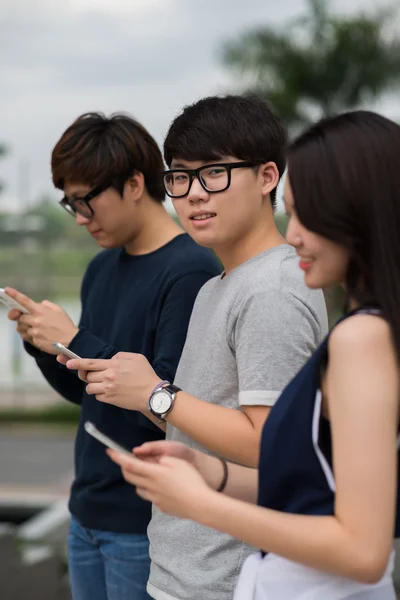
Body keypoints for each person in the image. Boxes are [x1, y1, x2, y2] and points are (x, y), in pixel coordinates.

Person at [106, 110, 400, 600]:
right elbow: (313, 479)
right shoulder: (366, 326)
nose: (296, 234)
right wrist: (209, 471)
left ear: (362, 211)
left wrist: (201, 501)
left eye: (310, 213)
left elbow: (364, 552)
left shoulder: (355, 334)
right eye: (179, 177)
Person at [62, 95, 328, 600]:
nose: (195, 195)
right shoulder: (218, 285)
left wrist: (156, 395)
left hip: (227, 581)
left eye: (216, 174)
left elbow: (270, 443)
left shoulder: (271, 289)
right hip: (180, 572)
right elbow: (209, 419)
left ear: (268, 176)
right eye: (181, 178)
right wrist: (134, 387)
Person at [6, 112, 220, 600]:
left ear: (134, 183)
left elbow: (173, 408)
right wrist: (43, 344)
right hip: (86, 512)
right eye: (70, 203)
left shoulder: (190, 270)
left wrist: (77, 339)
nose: (81, 218)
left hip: (144, 523)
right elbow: (89, 394)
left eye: (87, 201)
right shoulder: (101, 268)